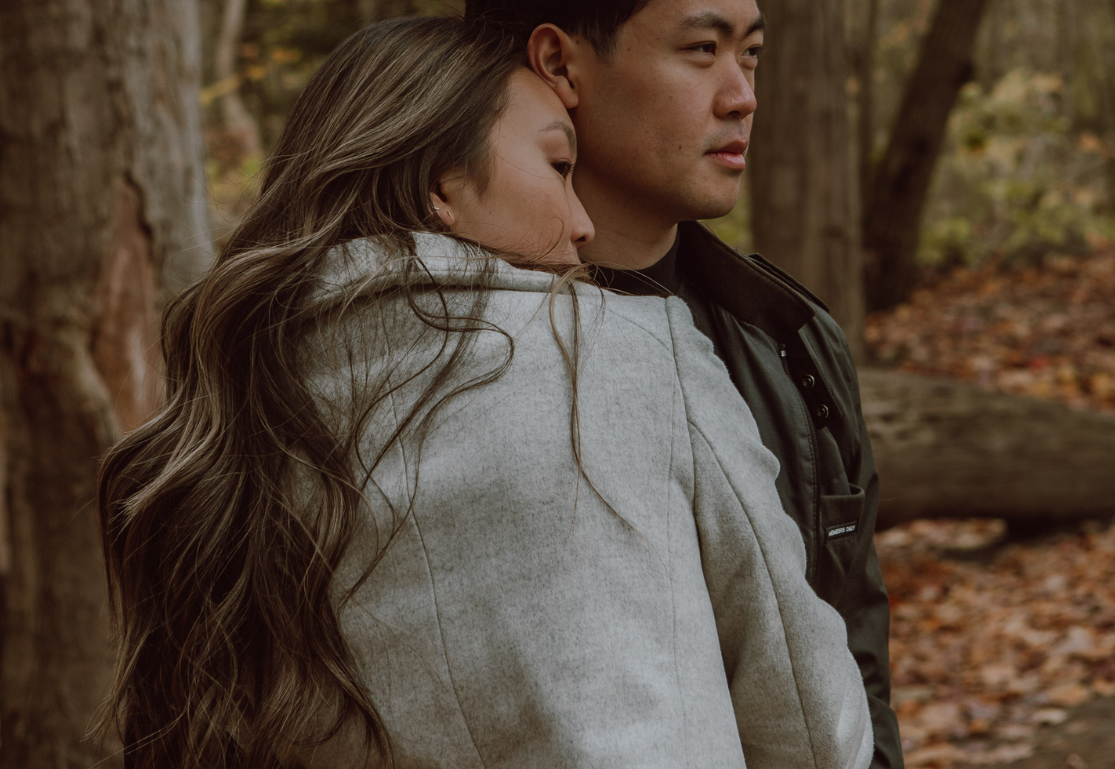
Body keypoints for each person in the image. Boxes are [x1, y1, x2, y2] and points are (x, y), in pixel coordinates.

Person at [95, 16, 874, 769]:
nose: (580, 222)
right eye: (558, 167)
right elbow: (817, 730)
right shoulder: (635, 350)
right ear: (442, 184)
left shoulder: (225, 412)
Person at [462, 2, 904, 768]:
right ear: (561, 65)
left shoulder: (792, 340)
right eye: (702, 49)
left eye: (750, 53)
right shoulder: (433, 365)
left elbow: (856, 668)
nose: (742, 96)